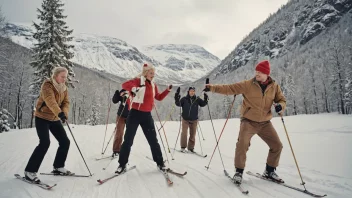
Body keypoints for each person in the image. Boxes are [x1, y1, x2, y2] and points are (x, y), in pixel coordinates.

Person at [204, 60, 286, 184]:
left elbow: (282, 100)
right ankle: (239, 172)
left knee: (277, 145)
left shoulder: (274, 86)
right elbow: (229, 88)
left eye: (260, 72)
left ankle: (269, 171)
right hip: (248, 121)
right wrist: (212, 88)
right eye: (256, 71)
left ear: (266, 74)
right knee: (242, 144)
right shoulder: (248, 84)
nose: (257, 74)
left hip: (265, 123)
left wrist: (280, 105)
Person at [115, 63, 172, 174]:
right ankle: (122, 164)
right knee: (128, 140)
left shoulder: (153, 85)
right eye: (151, 73)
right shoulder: (138, 81)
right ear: (146, 73)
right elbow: (124, 85)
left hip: (147, 116)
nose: (153, 75)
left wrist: (167, 91)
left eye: (154, 73)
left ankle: (160, 163)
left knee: (153, 141)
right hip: (135, 114)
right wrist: (134, 88)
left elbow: (159, 97)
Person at [24, 67, 72, 183]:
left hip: (54, 118)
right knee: (45, 142)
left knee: (65, 141)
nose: (64, 79)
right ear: (55, 76)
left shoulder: (64, 88)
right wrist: (59, 113)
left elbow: (66, 102)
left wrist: (64, 113)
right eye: (62, 76)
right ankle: (29, 171)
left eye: (66, 77)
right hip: (42, 118)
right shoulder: (47, 85)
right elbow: (51, 101)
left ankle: (58, 167)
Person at [174, 87, 208, 152]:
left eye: (193, 91)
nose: (192, 92)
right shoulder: (184, 99)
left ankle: (191, 148)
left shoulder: (197, 99)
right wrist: (176, 96)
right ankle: (183, 147)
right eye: (191, 91)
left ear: (194, 92)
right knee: (184, 133)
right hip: (185, 119)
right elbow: (178, 104)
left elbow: (203, 104)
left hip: (194, 120)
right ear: (188, 92)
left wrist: (206, 99)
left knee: (192, 134)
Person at [111, 89, 130, 157]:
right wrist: (117, 94)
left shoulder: (136, 90)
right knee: (119, 134)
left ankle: (125, 151)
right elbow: (115, 101)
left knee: (129, 136)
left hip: (131, 116)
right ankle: (116, 150)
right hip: (121, 116)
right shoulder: (124, 90)